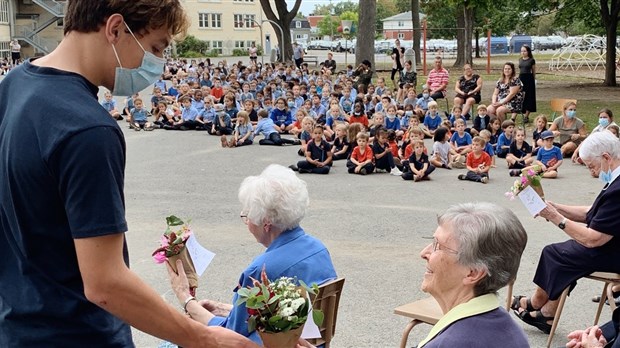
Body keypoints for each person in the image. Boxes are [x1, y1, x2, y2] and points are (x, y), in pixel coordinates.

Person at [0, 1, 256, 347]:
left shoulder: (12, 85)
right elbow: (105, 283)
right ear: (116, 29)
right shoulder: (88, 128)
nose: (157, 66)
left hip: (16, 326)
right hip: (76, 333)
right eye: (155, 48)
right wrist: (204, 338)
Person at [167, 164, 337, 344]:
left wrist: (186, 299)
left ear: (265, 223)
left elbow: (229, 334)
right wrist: (222, 308)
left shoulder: (260, 270)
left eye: (246, 216)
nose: (246, 221)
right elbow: (286, 313)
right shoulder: (319, 249)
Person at [512, 131, 620, 335]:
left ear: (606, 157)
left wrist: (554, 216)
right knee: (561, 253)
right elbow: (593, 212)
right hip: (611, 244)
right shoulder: (615, 179)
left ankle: (540, 307)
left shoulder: (618, 187)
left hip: (613, 251)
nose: (592, 172)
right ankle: (544, 310)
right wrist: (555, 207)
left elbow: (593, 239)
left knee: (558, 254)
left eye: (592, 166)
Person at [417, 202, 528, 347]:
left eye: (437, 245)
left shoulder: (451, 343)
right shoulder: (511, 330)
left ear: (473, 273)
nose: (424, 253)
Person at [518, 45, 536, 123]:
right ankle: (522, 111)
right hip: (521, 78)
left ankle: (526, 116)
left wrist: (533, 80)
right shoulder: (520, 60)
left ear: (528, 52)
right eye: (522, 51)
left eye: (524, 51)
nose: (523, 52)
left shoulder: (531, 60)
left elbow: (534, 71)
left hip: (529, 78)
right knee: (521, 96)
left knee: (529, 96)